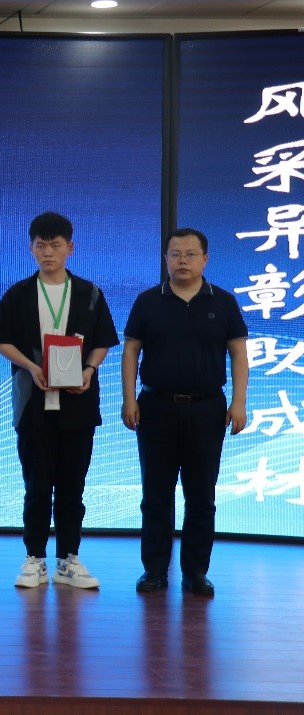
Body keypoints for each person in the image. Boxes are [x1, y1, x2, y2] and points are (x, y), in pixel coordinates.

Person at [0, 212, 118, 590]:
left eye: (55, 245)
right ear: (31, 248)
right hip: (33, 404)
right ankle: (34, 559)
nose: (48, 252)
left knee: (73, 488)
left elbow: (103, 341)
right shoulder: (19, 294)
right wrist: (30, 367)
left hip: (79, 404)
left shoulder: (90, 293)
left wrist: (89, 370)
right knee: (37, 487)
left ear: (70, 248)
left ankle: (68, 559)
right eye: (41, 245)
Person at [122, 227, 248, 597]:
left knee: (201, 496)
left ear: (205, 259)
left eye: (190, 254)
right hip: (156, 407)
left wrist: (239, 402)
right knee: (155, 495)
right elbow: (131, 351)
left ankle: (195, 573)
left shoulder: (223, 302)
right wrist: (128, 399)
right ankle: (154, 571)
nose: (182, 261)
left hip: (207, 408)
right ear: (166, 259)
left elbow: (238, 354)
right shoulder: (148, 301)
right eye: (175, 254)